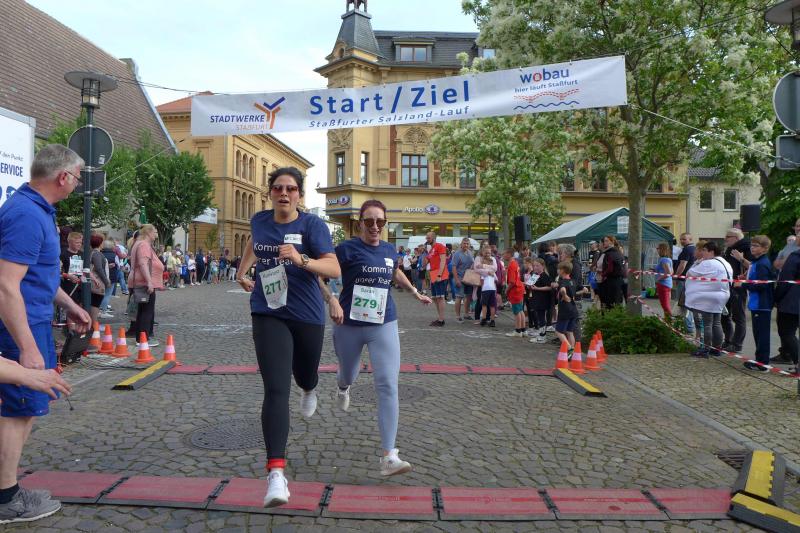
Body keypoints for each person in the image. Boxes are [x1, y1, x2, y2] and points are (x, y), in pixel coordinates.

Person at [236, 167, 340, 508]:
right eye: (278, 188)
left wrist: (301, 258)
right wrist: (241, 270)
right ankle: (276, 474)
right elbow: (254, 243)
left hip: (306, 314)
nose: (284, 193)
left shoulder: (313, 226)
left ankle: (309, 387)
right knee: (276, 389)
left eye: (291, 188)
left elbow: (333, 267)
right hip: (268, 310)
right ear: (270, 192)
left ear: (299, 195)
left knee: (305, 374)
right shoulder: (259, 220)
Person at [0, 144, 91, 524]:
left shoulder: (36, 211)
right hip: (19, 328)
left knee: (26, 411)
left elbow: (37, 276)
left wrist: (69, 305)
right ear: (63, 177)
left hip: (32, 322)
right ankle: (6, 499)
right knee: (18, 411)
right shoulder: (26, 214)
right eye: (78, 177)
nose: (78, 184)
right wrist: (27, 347)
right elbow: (6, 285)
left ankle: (7, 489)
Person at [326, 200, 431, 477]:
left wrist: (414, 292)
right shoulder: (346, 249)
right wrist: (331, 299)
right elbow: (322, 272)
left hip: (383, 322)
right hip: (349, 323)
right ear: (360, 223)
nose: (375, 226)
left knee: (387, 384)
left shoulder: (388, 249)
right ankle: (343, 386)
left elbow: (394, 271)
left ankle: (389, 456)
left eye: (380, 222)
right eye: (369, 221)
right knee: (348, 373)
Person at [684, 241, 732, 357]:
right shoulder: (725, 262)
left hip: (706, 298)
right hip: (721, 296)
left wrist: (698, 263)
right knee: (716, 323)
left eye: (704, 250)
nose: (702, 253)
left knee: (707, 324)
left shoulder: (708, 263)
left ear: (711, 251)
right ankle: (717, 349)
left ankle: (705, 349)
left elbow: (690, 273)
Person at [741, 236, 775, 371]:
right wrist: (746, 278)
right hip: (757, 303)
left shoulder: (762, 263)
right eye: (752, 245)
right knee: (758, 333)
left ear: (765, 249)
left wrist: (743, 285)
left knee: (762, 334)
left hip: (762, 303)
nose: (752, 248)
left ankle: (763, 363)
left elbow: (762, 285)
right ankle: (759, 360)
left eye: (756, 246)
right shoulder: (757, 262)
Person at [127, 225, 164, 347]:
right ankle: (144, 339)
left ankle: (141, 338)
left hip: (140, 281)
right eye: (155, 232)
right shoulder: (143, 245)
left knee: (143, 311)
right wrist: (149, 281)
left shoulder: (140, 243)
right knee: (146, 312)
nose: (156, 235)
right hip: (143, 282)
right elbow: (143, 264)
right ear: (148, 232)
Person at [722, 228, 753, 353]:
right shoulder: (729, 249)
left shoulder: (747, 248)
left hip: (739, 286)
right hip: (727, 285)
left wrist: (741, 258)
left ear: (736, 238)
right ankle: (728, 340)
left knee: (738, 317)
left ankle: (737, 344)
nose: (725, 239)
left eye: (727, 237)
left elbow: (753, 267)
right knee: (724, 315)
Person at [774, 247, 800, 372]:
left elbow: (785, 279)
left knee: (787, 332)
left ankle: (798, 363)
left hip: (792, 302)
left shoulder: (796, 256)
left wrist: (777, 297)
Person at [422, 232, 448, 327]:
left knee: (440, 297)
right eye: (426, 238)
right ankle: (440, 318)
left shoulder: (440, 246)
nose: (427, 239)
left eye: (428, 238)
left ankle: (441, 320)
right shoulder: (431, 250)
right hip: (433, 274)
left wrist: (439, 275)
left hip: (440, 274)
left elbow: (443, 261)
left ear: (434, 238)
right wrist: (424, 253)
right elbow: (424, 264)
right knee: (435, 298)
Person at [554, 261, 579, 355]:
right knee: (570, 331)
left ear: (563, 271)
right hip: (573, 309)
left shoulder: (563, 281)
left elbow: (562, 289)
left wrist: (564, 295)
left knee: (559, 332)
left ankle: (569, 349)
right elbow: (583, 289)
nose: (557, 270)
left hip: (565, 310)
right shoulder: (573, 281)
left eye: (559, 269)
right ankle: (572, 351)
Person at [674, 232, 696, 333]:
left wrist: (676, 277)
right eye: (681, 239)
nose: (682, 241)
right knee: (688, 303)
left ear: (690, 239)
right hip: (691, 280)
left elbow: (682, 265)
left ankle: (688, 327)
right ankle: (687, 326)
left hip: (683, 280)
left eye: (684, 239)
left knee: (683, 303)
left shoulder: (686, 250)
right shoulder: (694, 249)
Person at [527, 258, 553, 343]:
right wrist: (529, 285)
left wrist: (538, 288)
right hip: (536, 299)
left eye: (537, 266)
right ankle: (541, 334)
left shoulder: (544, 275)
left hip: (543, 300)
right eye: (534, 266)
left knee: (541, 317)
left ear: (543, 266)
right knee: (539, 317)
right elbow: (530, 285)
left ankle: (543, 336)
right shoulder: (535, 275)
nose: (535, 267)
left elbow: (549, 287)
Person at [503, 248, 526, 337]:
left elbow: (512, 282)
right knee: (520, 310)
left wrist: (507, 289)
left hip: (515, 290)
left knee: (516, 311)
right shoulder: (515, 263)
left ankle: (518, 331)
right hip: (519, 289)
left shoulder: (512, 265)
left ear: (509, 254)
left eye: (504, 253)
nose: (503, 255)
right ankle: (523, 330)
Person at [88, 233, 111, 324]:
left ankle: (93, 323)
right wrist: (106, 281)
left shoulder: (93, 253)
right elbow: (99, 268)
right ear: (100, 243)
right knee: (95, 303)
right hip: (97, 282)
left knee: (95, 303)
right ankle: (94, 324)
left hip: (96, 281)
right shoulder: (97, 254)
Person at [596, 235, 624, 308]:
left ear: (612, 242)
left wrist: (603, 274)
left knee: (609, 303)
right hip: (617, 281)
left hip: (610, 281)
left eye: (606, 241)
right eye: (604, 241)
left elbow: (609, 269)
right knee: (615, 302)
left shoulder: (609, 253)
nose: (604, 242)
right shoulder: (617, 252)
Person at [473, 243, 498, 327]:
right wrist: (489, 271)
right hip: (488, 287)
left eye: (489, 253)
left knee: (487, 304)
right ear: (482, 251)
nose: (487, 254)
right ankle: (487, 319)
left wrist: (483, 266)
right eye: (486, 252)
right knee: (486, 304)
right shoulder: (479, 258)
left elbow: (495, 268)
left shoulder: (492, 259)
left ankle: (487, 319)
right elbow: (477, 269)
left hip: (487, 287)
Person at [450, 238, 474, 323]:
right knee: (459, 297)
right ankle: (458, 316)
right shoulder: (457, 254)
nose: (466, 245)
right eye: (464, 243)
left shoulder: (470, 253)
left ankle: (466, 314)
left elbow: (472, 264)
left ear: (469, 245)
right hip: (459, 278)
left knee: (468, 296)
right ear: (461, 244)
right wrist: (457, 280)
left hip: (468, 278)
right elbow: (453, 267)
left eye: (467, 243)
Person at [655, 242, 674, 318]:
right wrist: (654, 270)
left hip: (663, 284)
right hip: (668, 284)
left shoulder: (663, 260)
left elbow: (668, 273)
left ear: (662, 249)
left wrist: (658, 279)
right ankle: (667, 320)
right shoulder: (668, 259)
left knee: (665, 305)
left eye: (658, 248)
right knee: (666, 304)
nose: (657, 250)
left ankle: (672, 321)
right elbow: (672, 272)